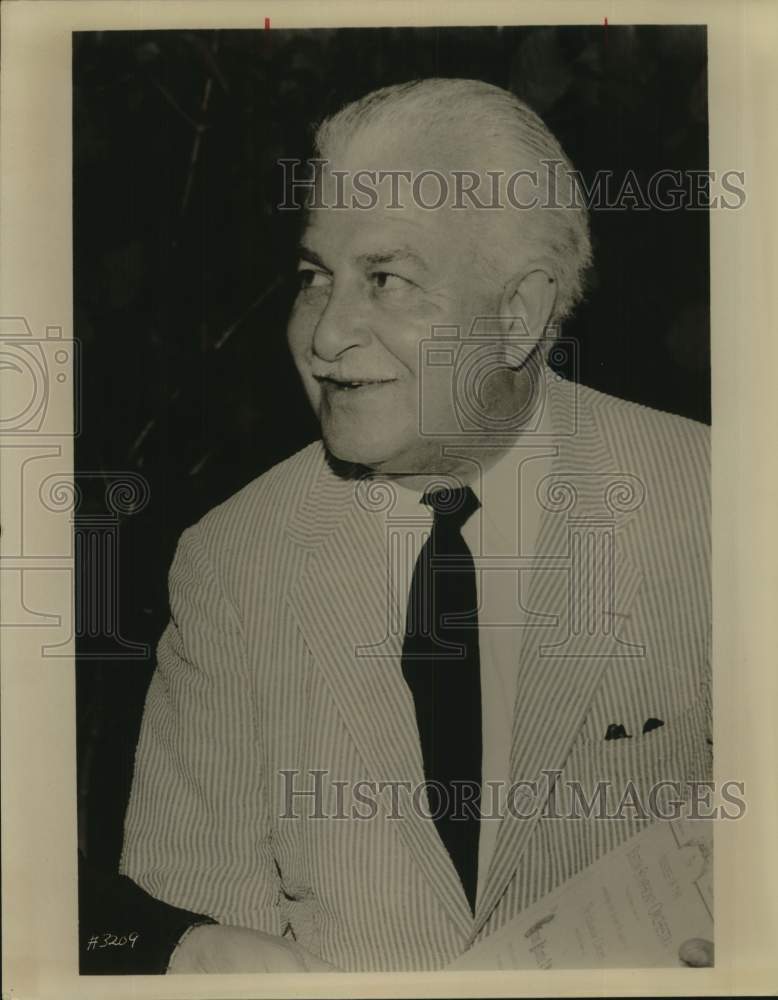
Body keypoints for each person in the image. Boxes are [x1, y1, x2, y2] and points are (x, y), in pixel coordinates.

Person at [119, 78, 712, 972]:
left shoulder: (720, 505)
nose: (325, 335)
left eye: (385, 280)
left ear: (519, 313)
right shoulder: (232, 561)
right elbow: (195, 913)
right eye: (315, 277)